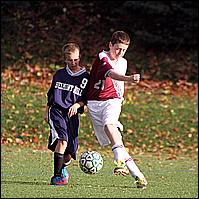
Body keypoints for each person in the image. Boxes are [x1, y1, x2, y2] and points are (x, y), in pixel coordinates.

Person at [86, 30, 148, 189]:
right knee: (115, 141)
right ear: (110, 45)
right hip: (94, 104)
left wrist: (119, 99)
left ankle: (118, 162)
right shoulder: (102, 57)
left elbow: (117, 85)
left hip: (112, 101)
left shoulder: (123, 62)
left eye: (124, 50)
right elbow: (111, 74)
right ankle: (138, 175)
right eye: (118, 49)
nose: (120, 53)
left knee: (109, 125)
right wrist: (128, 79)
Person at [44, 42, 89, 185]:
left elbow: (86, 100)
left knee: (69, 153)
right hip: (57, 111)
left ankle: (62, 167)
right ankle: (56, 177)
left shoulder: (85, 77)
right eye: (70, 60)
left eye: (76, 59)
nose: (73, 62)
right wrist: (47, 111)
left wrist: (77, 104)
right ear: (65, 60)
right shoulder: (59, 74)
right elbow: (51, 95)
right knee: (62, 140)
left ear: (79, 57)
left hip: (72, 116)